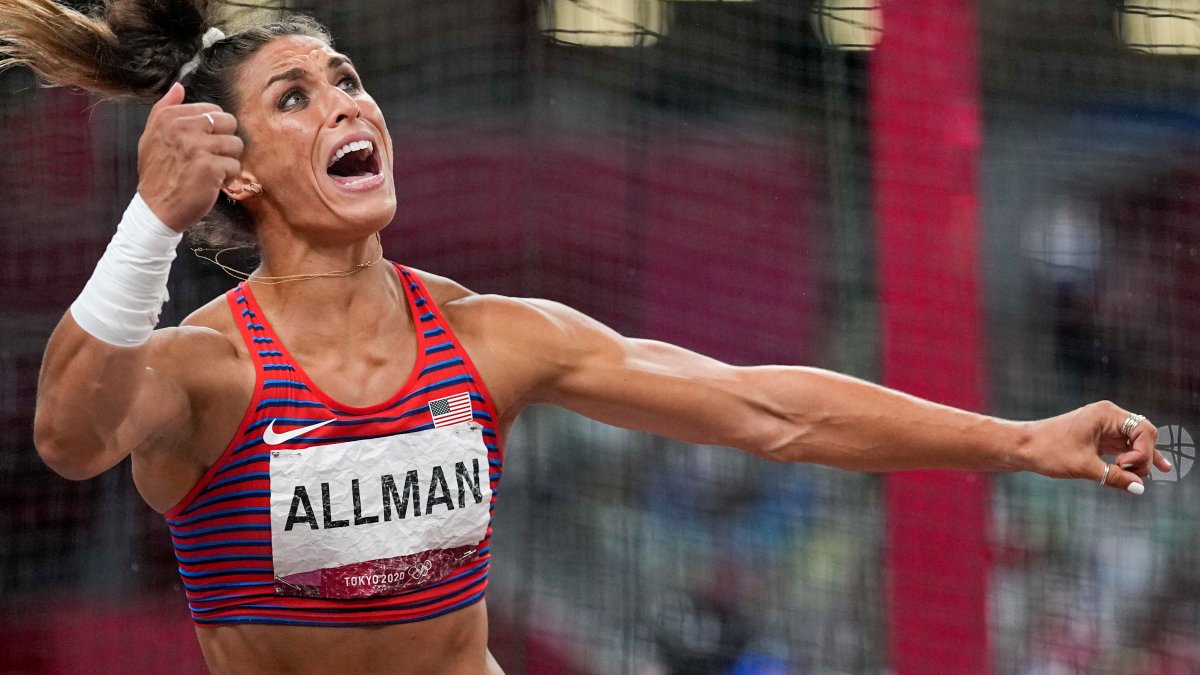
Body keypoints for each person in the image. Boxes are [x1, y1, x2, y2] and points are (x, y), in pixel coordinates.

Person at [3, 1, 1170, 673]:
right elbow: (69, 436)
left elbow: (772, 409)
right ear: (237, 167)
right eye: (297, 97)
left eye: (348, 78)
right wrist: (149, 217)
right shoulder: (209, 370)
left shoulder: (490, 336)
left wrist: (1024, 441)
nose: (351, 103)